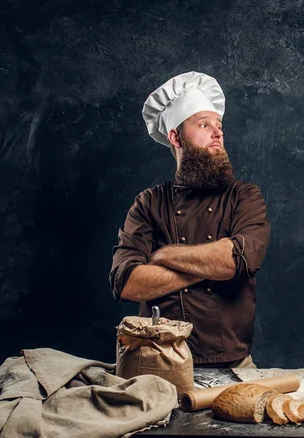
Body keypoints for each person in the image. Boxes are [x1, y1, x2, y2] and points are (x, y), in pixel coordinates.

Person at [109, 72, 270, 368]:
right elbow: (127, 283)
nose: (218, 133)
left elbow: (236, 261)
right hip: (155, 362)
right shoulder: (148, 203)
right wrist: (213, 264)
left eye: (219, 126)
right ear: (175, 136)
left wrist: (163, 255)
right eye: (204, 124)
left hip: (233, 365)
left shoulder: (244, 197)